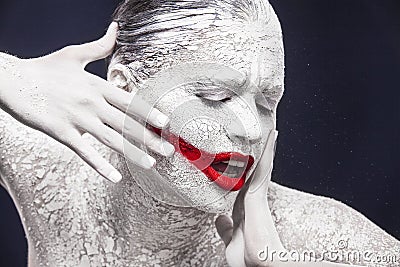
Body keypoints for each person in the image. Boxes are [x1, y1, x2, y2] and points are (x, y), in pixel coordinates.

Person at [0, 1, 398, 266]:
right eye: (215, 96)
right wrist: (13, 77)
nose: (250, 130)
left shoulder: (313, 238)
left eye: (266, 103)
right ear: (123, 88)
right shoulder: (45, 165)